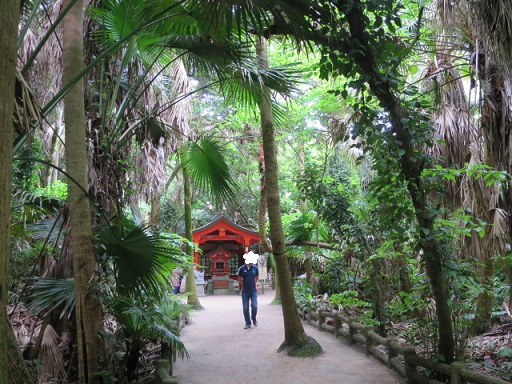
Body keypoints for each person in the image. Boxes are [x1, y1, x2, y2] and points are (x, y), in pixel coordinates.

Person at [238, 251, 259, 329]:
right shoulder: (242, 268)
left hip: (253, 291)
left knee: (254, 306)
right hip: (245, 291)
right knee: (245, 308)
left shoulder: (255, 268)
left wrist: (255, 284)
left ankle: (254, 318)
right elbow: (239, 278)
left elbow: (256, 277)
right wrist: (242, 284)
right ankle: (247, 323)